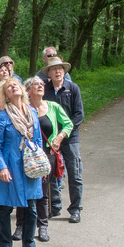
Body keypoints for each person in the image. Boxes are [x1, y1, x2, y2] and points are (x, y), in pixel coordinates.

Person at [0, 76, 43, 247]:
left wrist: (41, 164)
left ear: (22, 90)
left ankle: (29, 244)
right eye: (9, 86)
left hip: (30, 166)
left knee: (32, 207)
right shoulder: (2, 117)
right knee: (6, 207)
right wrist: (2, 168)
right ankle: (5, 246)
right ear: (5, 95)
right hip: (10, 167)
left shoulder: (33, 113)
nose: (13, 87)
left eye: (16, 85)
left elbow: (38, 141)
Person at [26, 75, 73, 243]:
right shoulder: (24, 108)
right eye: (35, 84)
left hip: (47, 155)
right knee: (26, 191)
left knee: (43, 190)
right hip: (28, 155)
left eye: (41, 84)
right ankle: (21, 226)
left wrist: (59, 137)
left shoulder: (53, 107)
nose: (40, 86)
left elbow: (68, 124)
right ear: (28, 90)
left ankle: (43, 226)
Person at [42, 57, 84, 223]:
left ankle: (75, 209)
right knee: (51, 174)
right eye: (53, 69)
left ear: (64, 71)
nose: (57, 71)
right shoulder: (44, 90)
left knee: (74, 173)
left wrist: (63, 134)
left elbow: (79, 114)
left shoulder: (72, 88)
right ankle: (55, 207)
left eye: (60, 68)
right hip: (50, 138)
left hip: (70, 137)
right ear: (49, 74)